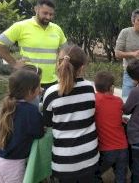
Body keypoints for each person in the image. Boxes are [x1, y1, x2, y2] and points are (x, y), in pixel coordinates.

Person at [43, 45, 99, 183]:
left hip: (64, 162)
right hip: (90, 156)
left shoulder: (50, 93)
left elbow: (48, 123)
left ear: (59, 63)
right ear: (82, 67)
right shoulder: (89, 87)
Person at [0, 0, 67, 91]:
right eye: (45, 13)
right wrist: (14, 63)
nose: (48, 17)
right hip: (28, 83)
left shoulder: (57, 29)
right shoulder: (21, 26)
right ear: (36, 9)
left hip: (52, 82)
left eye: (51, 14)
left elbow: (65, 48)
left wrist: (61, 62)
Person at [0, 70, 44, 183]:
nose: (40, 90)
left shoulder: (9, 106)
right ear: (30, 91)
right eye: (38, 87)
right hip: (13, 164)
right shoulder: (30, 110)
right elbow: (39, 132)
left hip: (0, 159)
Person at [94, 71, 128, 183]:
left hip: (106, 150)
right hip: (123, 147)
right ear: (112, 87)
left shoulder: (94, 100)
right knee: (121, 177)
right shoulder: (118, 101)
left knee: (95, 174)